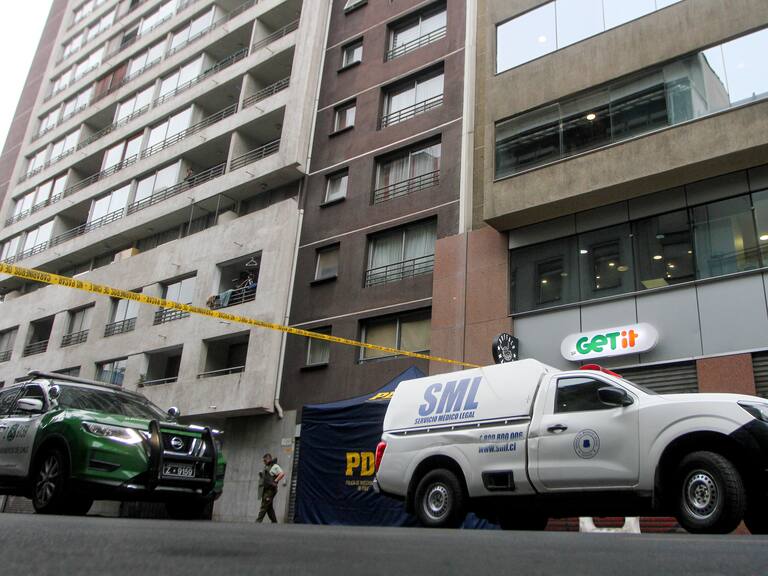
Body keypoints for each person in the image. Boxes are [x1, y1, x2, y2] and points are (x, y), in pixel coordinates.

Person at [257, 453, 285, 523]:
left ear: (269, 459)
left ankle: (257, 522)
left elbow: (282, 473)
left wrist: (275, 481)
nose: (264, 462)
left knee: (264, 505)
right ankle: (274, 522)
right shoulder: (267, 467)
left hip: (270, 490)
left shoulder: (275, 466)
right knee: (269, 508)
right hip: (265, 489)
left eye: (265, 460)